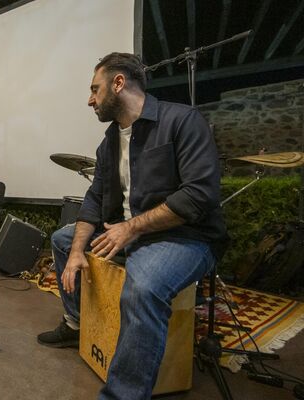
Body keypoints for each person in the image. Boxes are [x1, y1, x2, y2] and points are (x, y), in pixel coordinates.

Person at [37, 53, 227, 399]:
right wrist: (79, 250)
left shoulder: (182, 120)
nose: (90, 99)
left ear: (119, 83)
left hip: (185, 238)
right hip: (128, 231)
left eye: (95, 89)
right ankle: (77, 323)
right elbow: (94, 200)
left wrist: (131, 229)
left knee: (144, 287)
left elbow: (198, 196)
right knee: (64, 240)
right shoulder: (108, 142)